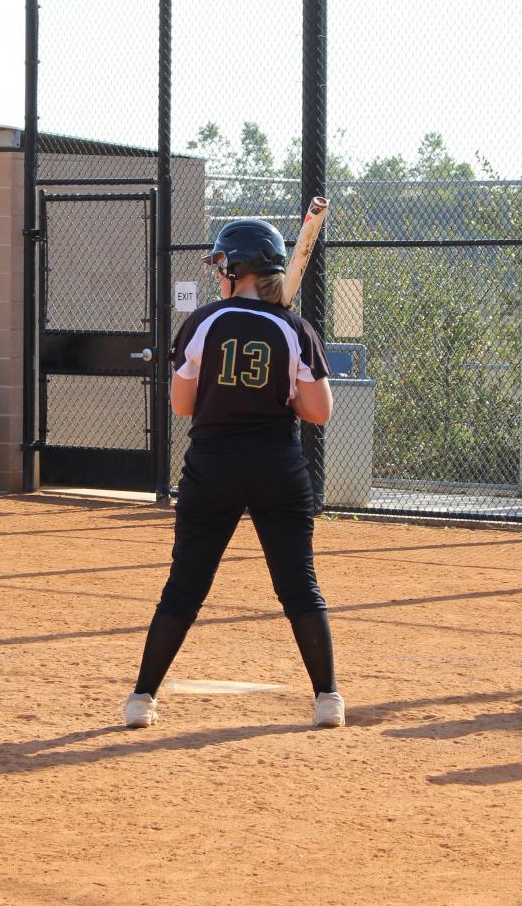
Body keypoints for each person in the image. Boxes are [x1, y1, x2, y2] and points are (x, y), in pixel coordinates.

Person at [122, 218, 343, 730]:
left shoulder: (202, 322)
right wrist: (281, 390)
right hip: (277, 464)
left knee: (184, 587)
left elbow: (181, 405)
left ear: (237, 267)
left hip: (213, 464)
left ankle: (141, 698)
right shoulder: (295, 329)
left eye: (222, 265)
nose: (218, 273)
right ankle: (327, 698)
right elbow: (319, 412)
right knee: (299, 586)